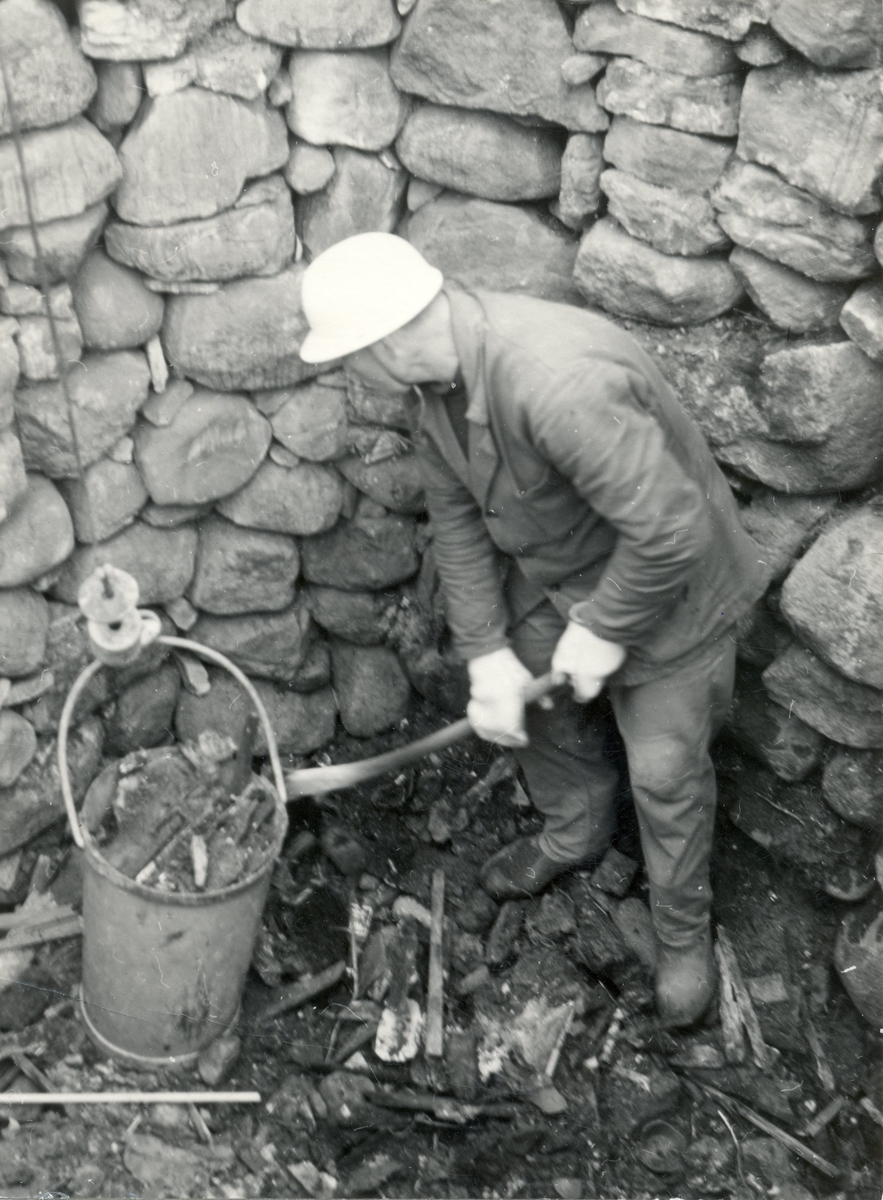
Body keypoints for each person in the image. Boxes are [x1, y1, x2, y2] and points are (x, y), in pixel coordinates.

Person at [298, 232, 768, 1027]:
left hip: (674, 592)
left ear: (389, 343)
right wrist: (486, 657)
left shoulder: (555, 383)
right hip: (565, 571)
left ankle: (680, 932)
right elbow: (456, 521)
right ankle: (575, 827)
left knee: (664, 775)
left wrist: (604, 628)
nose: (353, 376)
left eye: (351, 360)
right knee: (516, 677)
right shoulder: (437, 387)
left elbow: (670, 531)